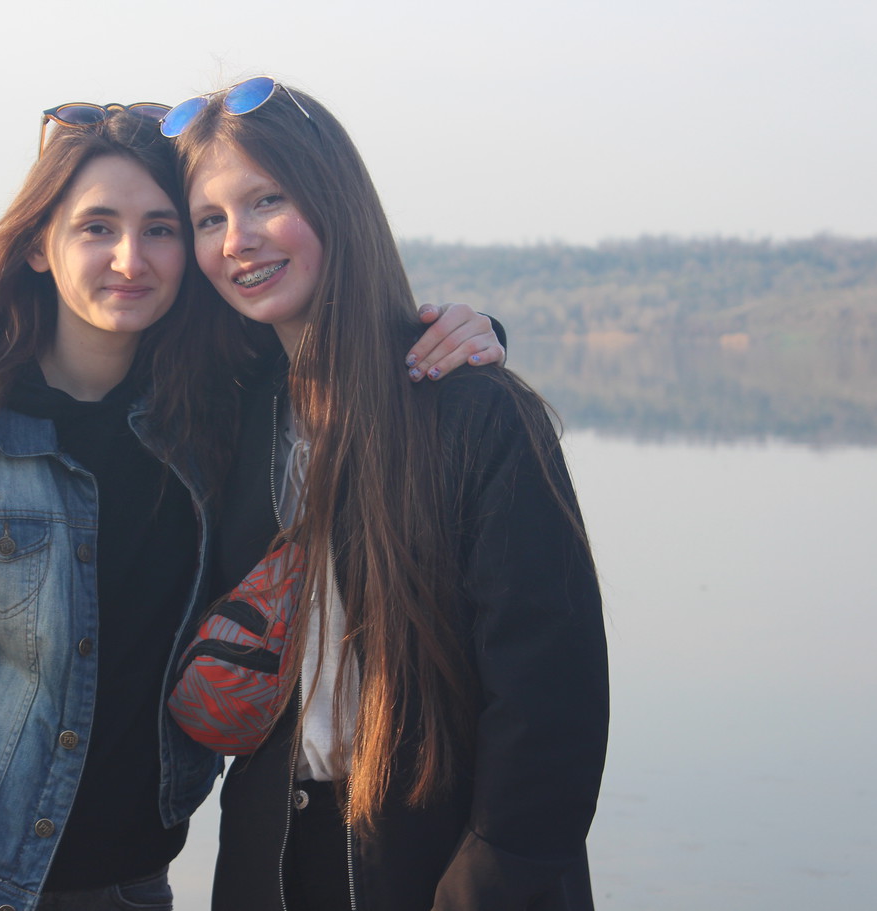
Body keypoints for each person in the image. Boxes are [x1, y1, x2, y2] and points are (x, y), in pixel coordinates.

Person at [0, 102, 504, 911]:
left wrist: (466, 332)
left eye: (161, 229)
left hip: (131, 883)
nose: (130, 258)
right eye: (97, 227)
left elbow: (346, 357)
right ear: (38, 245)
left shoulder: (215, 422)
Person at [165, 77, 609, 910]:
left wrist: (484, 884)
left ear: (335, 200)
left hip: (446, 867)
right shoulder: (228, 420)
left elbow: (551, 701)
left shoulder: (474, 413)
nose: (238, 240)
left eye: (267, 200)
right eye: (209, 220)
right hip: (271, 862)